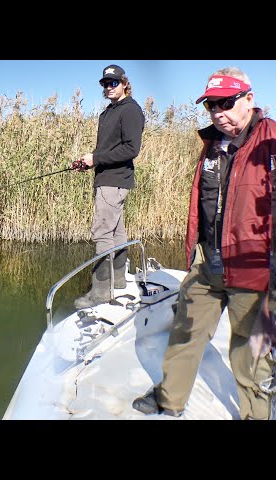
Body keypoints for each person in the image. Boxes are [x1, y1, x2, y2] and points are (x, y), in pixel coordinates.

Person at [132, 67, 276, 420]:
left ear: (249, 99)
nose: (218, 113)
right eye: (211, 105)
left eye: (226, 103)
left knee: (252, 356)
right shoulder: (211, 145)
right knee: (184, 333)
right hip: (207, 262)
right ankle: (169, 398)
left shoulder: (271, 142)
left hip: (254, 270)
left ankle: (255, 414)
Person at [73, 64, 145, 309]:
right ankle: (120, 281)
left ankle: (101, 292)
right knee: (116, 232)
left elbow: (131, 149)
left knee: (102, 233)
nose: (109, 87)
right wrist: (90, 161)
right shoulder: (109, 112)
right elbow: (107, 149)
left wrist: (98, 159)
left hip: (115, 180)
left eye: (113, 82)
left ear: (124, 83)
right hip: (107, 178)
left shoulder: (130, 111)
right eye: (105, 84)